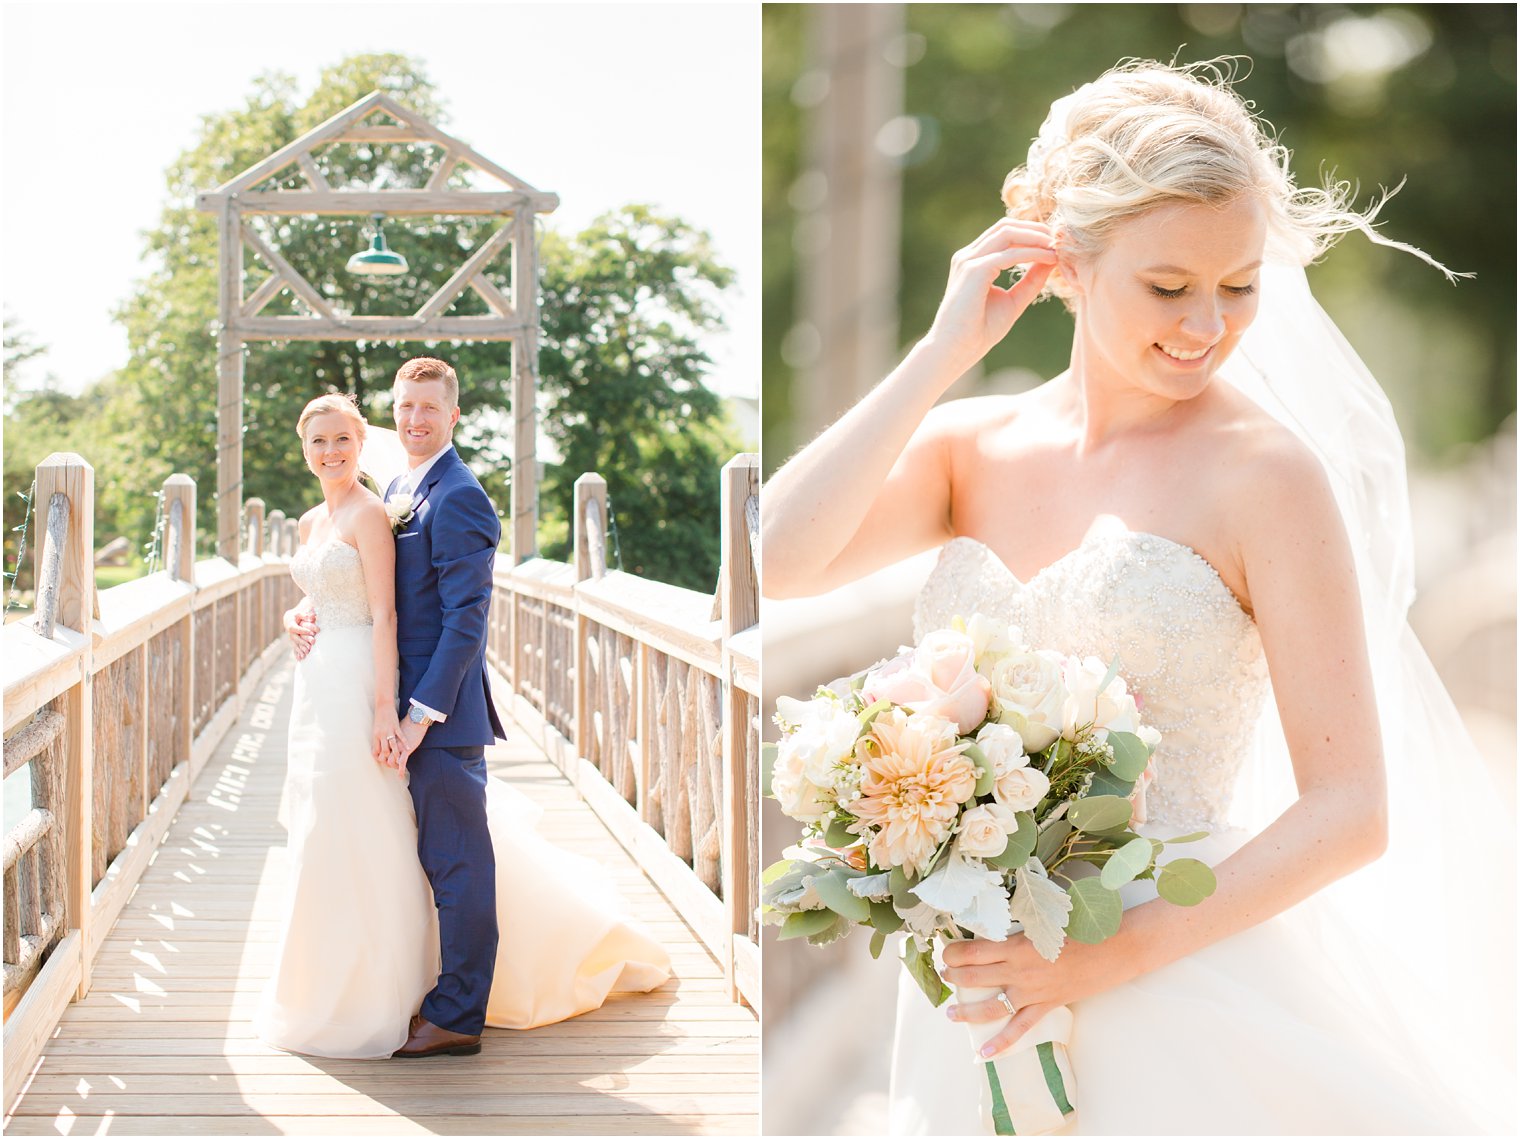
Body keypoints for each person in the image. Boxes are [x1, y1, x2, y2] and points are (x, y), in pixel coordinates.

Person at [762, 60, 1513, 1134]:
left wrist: (1108, 955)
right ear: (1062, 262)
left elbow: (1350, 807)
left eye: (1237, 283)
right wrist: (940, 353)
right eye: (1168, 287)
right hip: (974, 984)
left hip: (1174, 972)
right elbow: (781, 558)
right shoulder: (972, 445)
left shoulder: (1265, 476)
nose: (1206, 324)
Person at [259, 364, 671, 1061]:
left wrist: (417, 715)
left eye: (428, 408)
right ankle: (410, 981)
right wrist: (304, 614)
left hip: (435, 712)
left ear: (454, 415)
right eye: (405, 407)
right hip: (355, 691)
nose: (415, 419)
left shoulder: (462, 497)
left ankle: (458, 1012)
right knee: (407, 850)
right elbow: (356, 585)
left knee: (458, 862)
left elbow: (465, 623)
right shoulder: (399, 488)